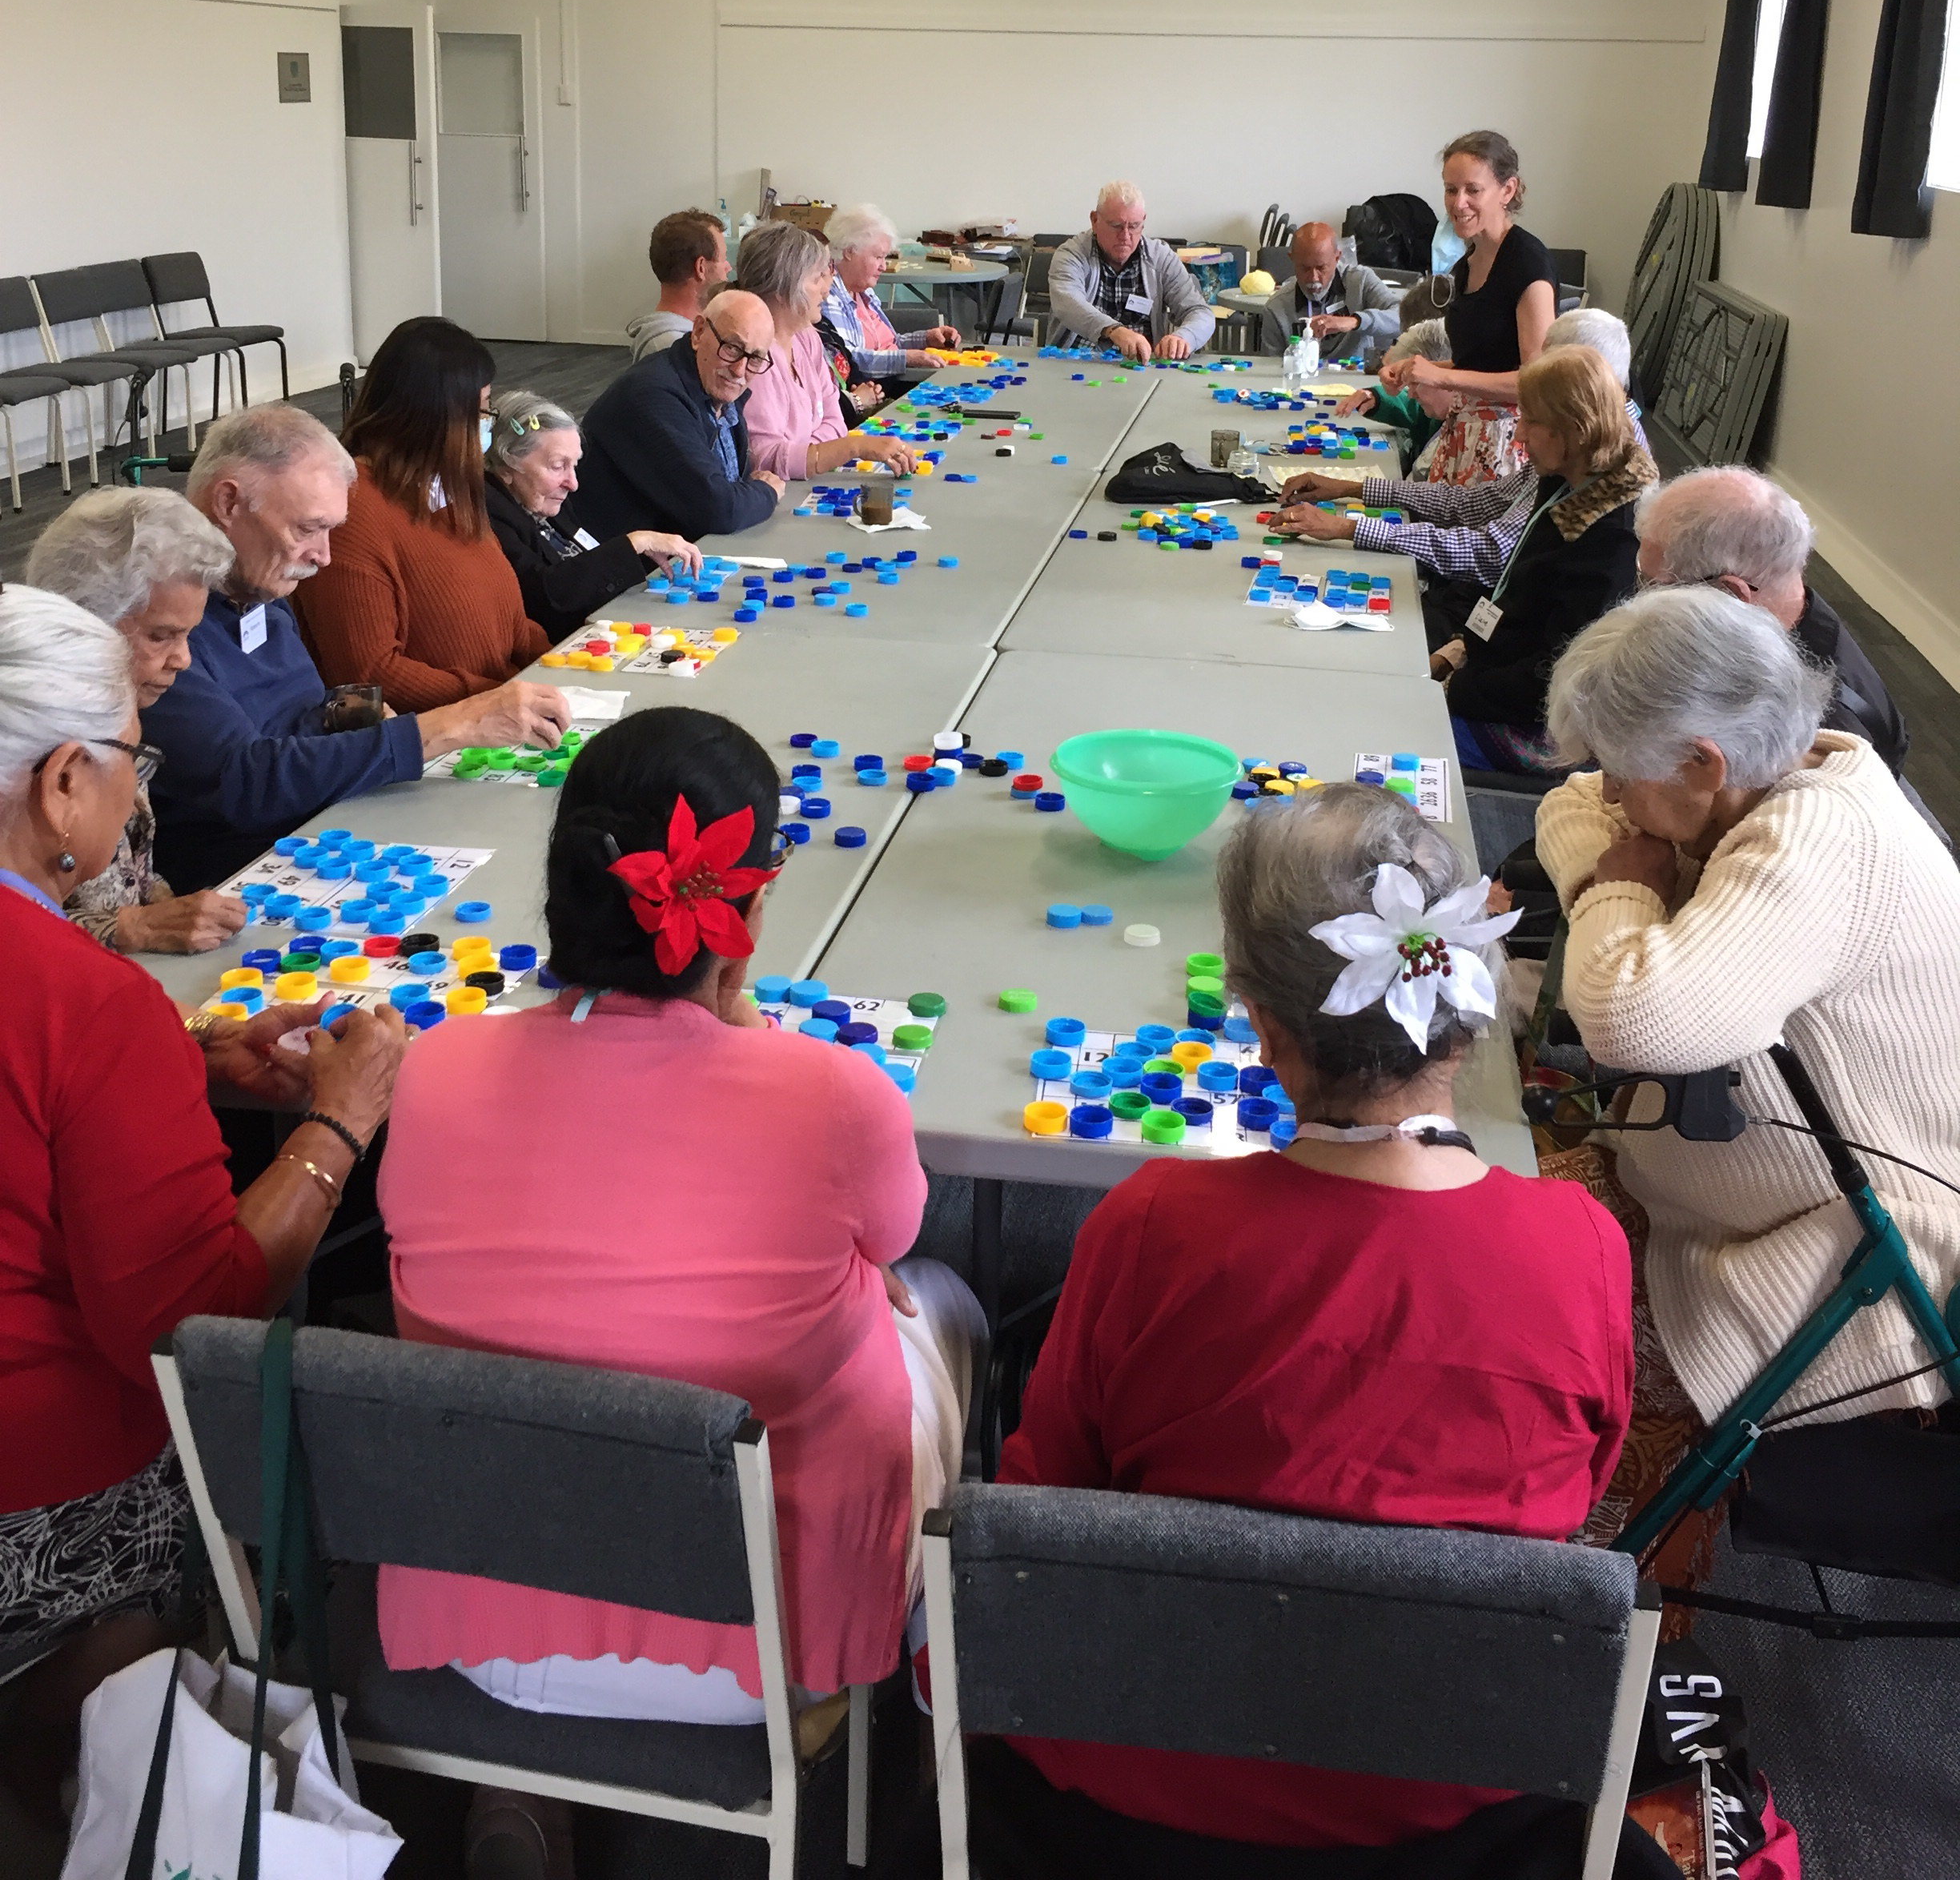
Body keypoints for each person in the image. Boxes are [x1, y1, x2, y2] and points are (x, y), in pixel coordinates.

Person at [377, 707, 982, 1878]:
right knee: (939, 1303)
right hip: (754, 1646)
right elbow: (895, 1236)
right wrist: (742, 1014)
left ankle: (524, 1778)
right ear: (743, 913)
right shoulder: (836, 1097)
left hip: (480, 1624)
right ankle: (913, 1684)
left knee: (545, 1376)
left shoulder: (436, 1069)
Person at [987, 783, 1630, 1858]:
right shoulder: (1582, 1246)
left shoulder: (1151, 1224)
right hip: (1456, 1794)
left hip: (1138, 1775)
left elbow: (1048, 1496)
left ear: (1264, 1028)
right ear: (1465, 1013)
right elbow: (1574, 1500)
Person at [0, 585, 404, 1817]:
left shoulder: (104, 1006)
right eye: (134, 757)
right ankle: (75, 1705)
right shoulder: (83, 1001)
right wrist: (341, 1122)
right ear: (67, 778)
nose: (138, 783)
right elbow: (187, 1317)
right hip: (40, 1490)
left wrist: (176, 1060)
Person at [1538, 587, 1960, 1484]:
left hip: (1834, 1263)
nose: (1610, 790)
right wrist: (1618, 874)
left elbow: (1628, 1017)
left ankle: (1564, 1586)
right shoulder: (1756, 780)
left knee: (1506, 1323)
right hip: (1692, 1199)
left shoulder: (1820, 836)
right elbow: (1565, 807)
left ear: (1702, 760)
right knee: (1458, 1214)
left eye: (1624, 769)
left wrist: (1618, 887)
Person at [144, 404, 567, 894]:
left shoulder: (259, 583)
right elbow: (247, 781)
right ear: (228, 503)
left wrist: (350, 710)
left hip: (328, 826)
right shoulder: (160, 621)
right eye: (307, 529)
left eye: (330, 531)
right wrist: (454, 723)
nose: (324, 557)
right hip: (243, 874)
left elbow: (291, 718)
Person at [1278, 312, 1644, 650]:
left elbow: (1492, 552)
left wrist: (1348, 528)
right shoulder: (1577, 448)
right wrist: (1351, 489)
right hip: (1488, 623)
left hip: (1498, 635)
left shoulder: (1591, 470)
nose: (1518, 432)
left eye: (1530, 419)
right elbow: (1471, 503)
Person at [26, 488, 246, 956]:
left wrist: (171, 905)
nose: (183, 659)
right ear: (85, 622)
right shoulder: (28, 739)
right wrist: (134, 928)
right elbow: (20, 932)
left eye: (189, 635)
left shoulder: (119, 714)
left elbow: (132, 872)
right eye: (161, 636)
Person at [294, 318, 549, 713]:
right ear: (436, 418)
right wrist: (496, 697)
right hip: (443, 730)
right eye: (482, 413)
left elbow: (510, 621)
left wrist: (559, 668)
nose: (487, 427)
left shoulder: (447, 488)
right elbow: (371, 673)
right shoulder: (351, 512)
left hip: (502, 706)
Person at [1432, 345, 1655, 774]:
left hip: (1546, 727)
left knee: (1404, 735)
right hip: (1494, 673)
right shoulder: (1565, 479)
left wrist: (1460, 688)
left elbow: (1558, 676)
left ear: (1573, 430)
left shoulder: (1613, 542)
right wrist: (1460, 651)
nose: (1518, 437)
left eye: (1530, 422)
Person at [1634, 467, 1910, 777]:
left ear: (1731, 594)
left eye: (1652, 584)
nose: (1638, 599)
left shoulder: (1808, 742)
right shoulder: (1784, 612)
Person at [484, 392, 702, 645]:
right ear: (505, 467)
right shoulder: (493, 516)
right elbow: (542, 597)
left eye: (574, 465)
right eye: (557, 466)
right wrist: (635, 543)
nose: (573, 483)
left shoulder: (543, 500)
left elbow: (582, 558)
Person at [573, 290, 787, 546]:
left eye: (754, 359)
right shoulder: (653, 395)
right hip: (627, 572)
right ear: (698, 333)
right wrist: (767, 492)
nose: (739, 370)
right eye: (731, 348)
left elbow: (733, 490)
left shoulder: (718, 394)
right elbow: (718, 509)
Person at [1380, 132, 1556, 408]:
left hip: (1511, 439)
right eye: (1451, 190)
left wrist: (1441, 377)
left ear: (1507, 191)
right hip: (1468, 429)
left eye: (1473, 190)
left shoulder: (1527, 262)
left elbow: (1538, 383)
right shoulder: (1468, 263)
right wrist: (1416, 370)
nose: (1458, 203)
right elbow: (1481, 365)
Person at [735, 223, 921, 483]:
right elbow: (767, 461)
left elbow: (836, 423)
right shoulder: (755, 358)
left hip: (807, 483)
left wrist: (809, 453)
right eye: (817, 278)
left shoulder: (807, 338)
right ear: (782, 289)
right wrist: (851, 448)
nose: (827, 287)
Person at [1046, 183, 1216, 362]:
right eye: (1117, 226)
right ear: (1095, 221)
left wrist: (1184, 337)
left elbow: (1200, 312)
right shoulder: (1071, 255)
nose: (1126, 236)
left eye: (1134, 226)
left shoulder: (1161, 258)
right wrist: (1113, 330)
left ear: (1143, 222)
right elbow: (1068, 304)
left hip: (1143, 364)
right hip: (1076, 362)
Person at [820, 205, 961, 394]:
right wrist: (905, 359)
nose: (883, 267)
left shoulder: (864, 292)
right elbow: (846, 359)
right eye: (878, 257)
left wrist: (925, 338)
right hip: (879, 393)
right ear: (849, 252)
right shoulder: (828, 296)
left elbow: (888, 345)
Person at [1256, 220, 1400, 366]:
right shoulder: (1276, 308)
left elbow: (1404, 319)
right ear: (1292, 259)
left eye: (1321, 268)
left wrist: (1355, 321)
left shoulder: (1361, 281)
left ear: (1337, 258)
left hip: (1355, 381)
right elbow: (1271, 368)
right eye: (1305, 268)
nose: (1313, 278)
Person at [625, 208, 730, 363]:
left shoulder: (669, 340)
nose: (729, 267)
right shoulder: (674, 350)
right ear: (701, 268)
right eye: (723, 259)